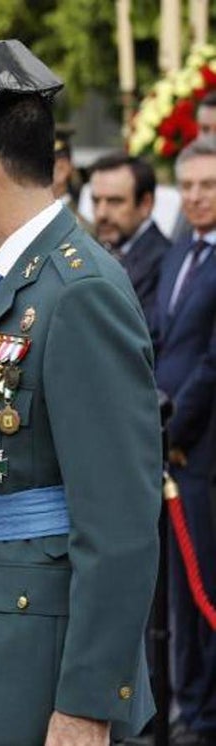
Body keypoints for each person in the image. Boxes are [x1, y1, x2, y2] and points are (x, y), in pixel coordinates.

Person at [0, 39, 161, 744]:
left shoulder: (76, 292)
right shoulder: (14, 276)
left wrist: (87, 703)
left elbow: (119, 523)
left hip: (36, 661)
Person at [151, 137, 216, 746]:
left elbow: (212, 364)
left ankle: (203, 714)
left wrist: (175, 429)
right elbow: (159, 340)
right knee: (169, 592)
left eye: (208, 186)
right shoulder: (180, 254)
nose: (196, 196)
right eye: (188, 186)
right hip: (164, 442)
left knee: (203, 587)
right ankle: (181, 702)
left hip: (199, 449)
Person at [88, 152, 170, 324]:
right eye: (96, 201)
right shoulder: (90, 250)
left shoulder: (166, 261)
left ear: (146, 204)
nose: (101, 214)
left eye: (114, 201)